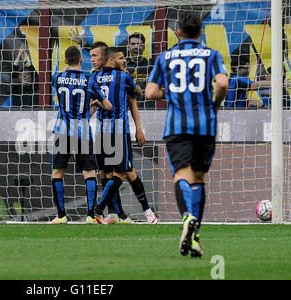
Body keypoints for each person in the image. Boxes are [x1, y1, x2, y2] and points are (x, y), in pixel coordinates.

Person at [145, 11, 229, 257]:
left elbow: (150, 93)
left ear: (178, 32)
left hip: (177, 125)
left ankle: (187, 217)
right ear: (201, 32)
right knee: (199, 179)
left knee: (181, 174)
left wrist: (169, 94)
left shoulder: (165, 57)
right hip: (205, 125)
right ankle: (195, 238)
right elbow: (223, 84)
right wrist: (214, 104)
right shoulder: (211, 55)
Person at [89, 42, 157, 225]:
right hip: (118, 130)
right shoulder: (123, 76)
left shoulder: (93, 77)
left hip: (101, 130)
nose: (124, 60)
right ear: (111, 59)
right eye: (121, 58)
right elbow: (138, 94)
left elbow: (92, 105)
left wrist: (139, 128)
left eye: (95, 56)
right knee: (121, 172)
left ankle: (118, 214)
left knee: (114, 173)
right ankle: (103, 212)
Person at [48, 46, 112, 224]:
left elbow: (59, 74)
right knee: (89, 172)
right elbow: (108, 106)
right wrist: (96, 104)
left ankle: (61, 216)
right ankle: (91, 215)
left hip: (62, 131)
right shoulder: (89, 78)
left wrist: (65, 68)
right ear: (82, 60)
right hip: (82, 132)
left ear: (66, 61)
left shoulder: (58, 77)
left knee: (57, 172)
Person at [125, 32, 154, 109]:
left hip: (148, 108)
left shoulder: (151, 66)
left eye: (139, 44)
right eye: (133, 44)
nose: (136, 47)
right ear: (128, 47)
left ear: (144, 47)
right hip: (128, 108)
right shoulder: (123, 67)